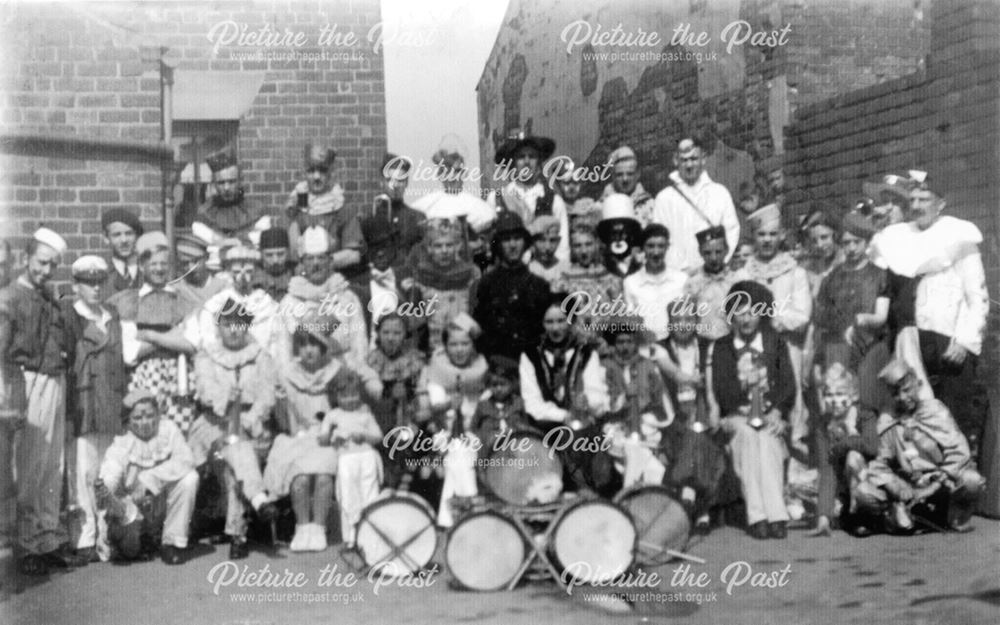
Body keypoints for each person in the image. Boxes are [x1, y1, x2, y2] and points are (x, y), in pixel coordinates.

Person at [868, 171, 989, 449]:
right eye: (913, 198)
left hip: (948, 343)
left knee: (952, 420)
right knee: (917, 421)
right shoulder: (901, 237)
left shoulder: (959, 236)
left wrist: (965, 341)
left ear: (941, 202)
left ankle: (959, 483)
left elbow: (977, 296)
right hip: (911, 340)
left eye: (925, 198)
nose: (918, 205)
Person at [0, 228, 89, 574]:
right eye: (41, 262)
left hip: (56, 380)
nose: (46, 270)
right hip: (29, 381)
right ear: (26, 259)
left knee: (53, 464)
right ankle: (27, 544)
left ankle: (49, 538)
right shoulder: (10, 297)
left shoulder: (49, 296)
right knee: (31, 467)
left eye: (52, 265)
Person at [265, 313, 382, 552]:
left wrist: (372, 384)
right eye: (304, 344)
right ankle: (302, 527)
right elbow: (280, 415)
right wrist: (279, 402)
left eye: (314, 345)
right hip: (298, 437)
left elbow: (360, 379)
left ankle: (318, 528)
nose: (308, 351)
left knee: (323, 477)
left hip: (328, 438)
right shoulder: (288, 373)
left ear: (324, 347)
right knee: (299, 479)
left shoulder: (336, 371)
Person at [189, 300, 279, 559]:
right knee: (236, 449)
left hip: (250, 424)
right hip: (213, 425)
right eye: (228, 325)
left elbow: (267, 394)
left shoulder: (260, 356)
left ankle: (237, 532)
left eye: (240, 324)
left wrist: (252, 416)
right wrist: (227, 396)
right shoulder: (207, 355)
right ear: (219, 327)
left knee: (236, 460)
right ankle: (257, 503)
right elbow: (206, 391)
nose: (234, 330)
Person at [707, 281, 796, 539]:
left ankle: (776, 515)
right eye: (740, 313)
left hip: (769, 412)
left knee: (767, 440)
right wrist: (745, 408)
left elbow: (788, 382)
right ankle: (757, 515)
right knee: (747, 437)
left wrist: (778, 412)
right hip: (737, 414)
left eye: (752, 312)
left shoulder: (774, 342)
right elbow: (722, 388)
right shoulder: (723, 347)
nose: (746, 319)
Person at [855, 360, 985, 533]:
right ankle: (906, 517)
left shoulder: (935, 410)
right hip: (908, 488)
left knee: (971, 480)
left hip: (941, 485)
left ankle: (950, 518)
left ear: (918, 384)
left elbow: (959, 453)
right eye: (895, 393)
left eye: (907, 390)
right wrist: (896, 486)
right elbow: (879, 466)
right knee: (863, 492)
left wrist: (933, 486)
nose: (902, 397)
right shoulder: (888, 419)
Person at [61, 255, 129, 562]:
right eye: (89, 283)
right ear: (76, 286)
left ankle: (107, 534)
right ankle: (85, 537)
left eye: (100, 282)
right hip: (85, 400)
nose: (96, 289)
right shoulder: (70, 316)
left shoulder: (112, 315)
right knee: (84, 472)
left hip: (111, 401)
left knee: (107, 471)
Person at [96, 389, 198, 564]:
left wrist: (150, 479)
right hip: (133, 511)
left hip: (160, 507)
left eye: (150, 416)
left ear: (158, 415)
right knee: (130, 542)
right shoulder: (121, 443)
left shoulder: (168, 429)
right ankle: (133, 544)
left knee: (190, 478)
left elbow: (186, 459)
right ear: (128, 421)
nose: (145, 423)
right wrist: (107, 487)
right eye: (137, 418)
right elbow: (110, 473)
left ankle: (172, 543)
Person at [109, 231, 198, 434]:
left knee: (178, 431)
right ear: (141, 266)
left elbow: (191, 343)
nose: (159, 269)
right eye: (153, 264)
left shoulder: (182, 300)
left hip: (180, 375)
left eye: (163, 264)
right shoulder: (129, 301)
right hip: (144, 376)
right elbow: (129, 351)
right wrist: (171, 335)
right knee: (145, 429)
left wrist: (150, 335)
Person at [742, 204, 812, 451]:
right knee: (758, 390)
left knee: (791, 394)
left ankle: (795, 447)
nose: (767, 240)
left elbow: (802, 314)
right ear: (754, 237)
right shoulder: (745, 272)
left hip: (787, 343)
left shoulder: (795, 272)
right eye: (762, 235)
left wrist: (775, 321)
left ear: (782, 235)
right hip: (756, 346)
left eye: (773, 234)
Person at [415, 313, 488, 526]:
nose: (459, 349)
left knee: (461, 455)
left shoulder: (480, 369)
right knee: (460, 453)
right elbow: (433, 410)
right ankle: (472, 513)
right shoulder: (438, 371)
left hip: (474, 429)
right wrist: (449, 405)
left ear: (473, 344)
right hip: (443, 431)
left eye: (465, 343)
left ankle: (449, 518)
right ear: (445, 346)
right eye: (453, 344)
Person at [813, 213, 889, 389]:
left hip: (868, 349)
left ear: (867, 243)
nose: (852, 247)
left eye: (857, 242)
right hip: (836, 351)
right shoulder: (830, 278)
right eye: (847, 243)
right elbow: (820, 324)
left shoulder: (879, 275)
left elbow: (881, 317)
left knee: (867, 400)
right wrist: (818, 359)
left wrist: (863, 319)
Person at [275, 226, 368, 366]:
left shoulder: (347, 298)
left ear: (330, 261)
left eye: (321, 257)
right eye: (309, 258)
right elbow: (283, 348)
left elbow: (359, 343)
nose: (316, 263)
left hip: (341, 371)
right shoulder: (289, 301)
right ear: (302, 263)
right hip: (303, 375)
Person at [808, 364, 879, 538]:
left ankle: (861, 517)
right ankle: (840, 512)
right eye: (828, 394)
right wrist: (823, 516)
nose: (834, 400)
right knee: (800, 484)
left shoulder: (865, 416)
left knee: (853, 457)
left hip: (870, 477)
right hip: (841, 482)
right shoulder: (823, 424)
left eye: (840, 394)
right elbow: (827, 468)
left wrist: (848, 435)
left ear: (853, 395)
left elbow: (872, 448)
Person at [652, 137, 740, 274]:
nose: (689, 165)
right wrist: (680, 270)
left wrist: (716, 262)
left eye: (693, 159)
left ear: (703, 159)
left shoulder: (719, 193)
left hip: (715, 272)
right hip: (678, 277)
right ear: (676, 160)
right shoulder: (664, 199)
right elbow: (660, 240)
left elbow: (731, 231)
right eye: (684, 160)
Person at [471, 211, 551, 360]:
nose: (513, 245)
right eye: (506, 240)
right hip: (496, 363)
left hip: (532, 362)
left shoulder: (539, 284)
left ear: (525, 242)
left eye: (517, 238)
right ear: (498, 245)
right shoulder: (486, 284)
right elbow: (477, 329)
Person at [322, 370, 384, 547]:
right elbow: (323, 438)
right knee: (348, 495)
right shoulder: (333, 415)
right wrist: (334, 435)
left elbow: (378, 436)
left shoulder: (365, 414)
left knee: (369, 492)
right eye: (344, 395)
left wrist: (363, 435)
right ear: (336, 396)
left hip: (366, 456)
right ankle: (351, 536)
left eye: (354, 394)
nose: (350, 399)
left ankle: (372, 533)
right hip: (346, 458)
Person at [489, 129, 570, 262]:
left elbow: (563, 247)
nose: (527, 162)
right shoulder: (497, 198)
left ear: (538, 163)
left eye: (532, 157)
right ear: (513, 163)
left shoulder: (554, 200)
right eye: (521, 157)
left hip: (543, 274)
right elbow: (491, 242)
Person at [285, 143, 366, 277]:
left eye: (322, 171)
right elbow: (293, 254)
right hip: (304, 278)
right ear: (305, 173)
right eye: (311, 171)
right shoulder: (298, 203)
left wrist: (323, 264)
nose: (316, 177)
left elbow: (354, 254)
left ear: (330, 173)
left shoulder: (341, 207)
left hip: (336, 277)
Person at [408, 219, 479, 353]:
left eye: (449, 245)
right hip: (433, 350)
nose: (444, 251)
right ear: (430, 248)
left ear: (457, 246)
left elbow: (475, 314)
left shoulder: (469, 276)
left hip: (463, 349)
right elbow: (414, 323)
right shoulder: (422, 278)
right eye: (438, 246)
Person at [623, 223, 688, 343]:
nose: (656, 252)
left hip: (677, 344)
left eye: (661, 246)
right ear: (643, 248)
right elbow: (631, 321)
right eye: (650, 246)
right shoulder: (631, 283)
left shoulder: (681, 280)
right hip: (646, 346)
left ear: (667, 247)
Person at [412, 142, 495, 233]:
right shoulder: (425, 205)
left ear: (464, 174)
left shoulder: (479, 207)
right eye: (447, 172)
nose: (452, 176)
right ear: (439, 175)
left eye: (457, 171)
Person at [366, 153, 427, 274]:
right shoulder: (368, 218)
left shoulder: (417, 218)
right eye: (389, 180)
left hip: (407, 279)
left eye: (400, 180)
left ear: (406, 184)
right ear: (381, 182)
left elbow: (424, 257)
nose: (394, 185)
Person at [683, 225, 747, 341]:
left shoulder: (736, 281)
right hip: (702, 343)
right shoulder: (693, 284)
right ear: (700, 252)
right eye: (707, 253)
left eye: (718, 252)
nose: (713, 258)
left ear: (727, 250)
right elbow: (688, 318)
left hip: (731, 343)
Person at [196, 150, 261, 240]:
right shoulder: (205, 213)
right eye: (221, 183)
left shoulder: (255, 209)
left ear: (240, 182)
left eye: (231, 182)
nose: (226, 188)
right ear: (214, 184)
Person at [552, 223, 622, 305]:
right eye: (577, 246)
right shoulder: (563, 280)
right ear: (571, 247)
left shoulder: (611, 278)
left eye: (588, 244)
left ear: (597, 244)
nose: (584, 251)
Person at [173, 231, 229, 314]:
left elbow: (240, 324)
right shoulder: (175, 291)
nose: (191, 268)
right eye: (185, 263)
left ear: (206, 258)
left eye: (196, 261)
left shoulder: (225, 288)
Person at [602, 145, 656, 227]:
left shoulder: (651, 206)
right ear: (612, 176)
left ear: (638, 174)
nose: (625, 179)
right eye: (619, 175)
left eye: (630, 174)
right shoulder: (601, 207)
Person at [596, 193, 643, 279]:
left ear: (632, 234)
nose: (618, 238)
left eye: (623, 233)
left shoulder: (642, 264)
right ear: (606, 236)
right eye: (614, 233)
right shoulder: (599, 266)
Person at [100, 208, 143, 298]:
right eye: (117, 235)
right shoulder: (101, 273)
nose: (124, 240)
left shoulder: (149, 270)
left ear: (137, 236)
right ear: (106, 238)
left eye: (129, 233)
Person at [255, 226, 297, 302]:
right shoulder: (252, 278)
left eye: (280, 254)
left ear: (288, 252)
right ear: (261, 254)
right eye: (269, 255)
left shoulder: (298, 274)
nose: (275, 261)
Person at [526, 215, 568, 284]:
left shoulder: (566, 270)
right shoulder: (528, 271)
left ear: (558, 241)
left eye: (552, 240)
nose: (548, 247)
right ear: (533, 242)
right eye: (542, 240)